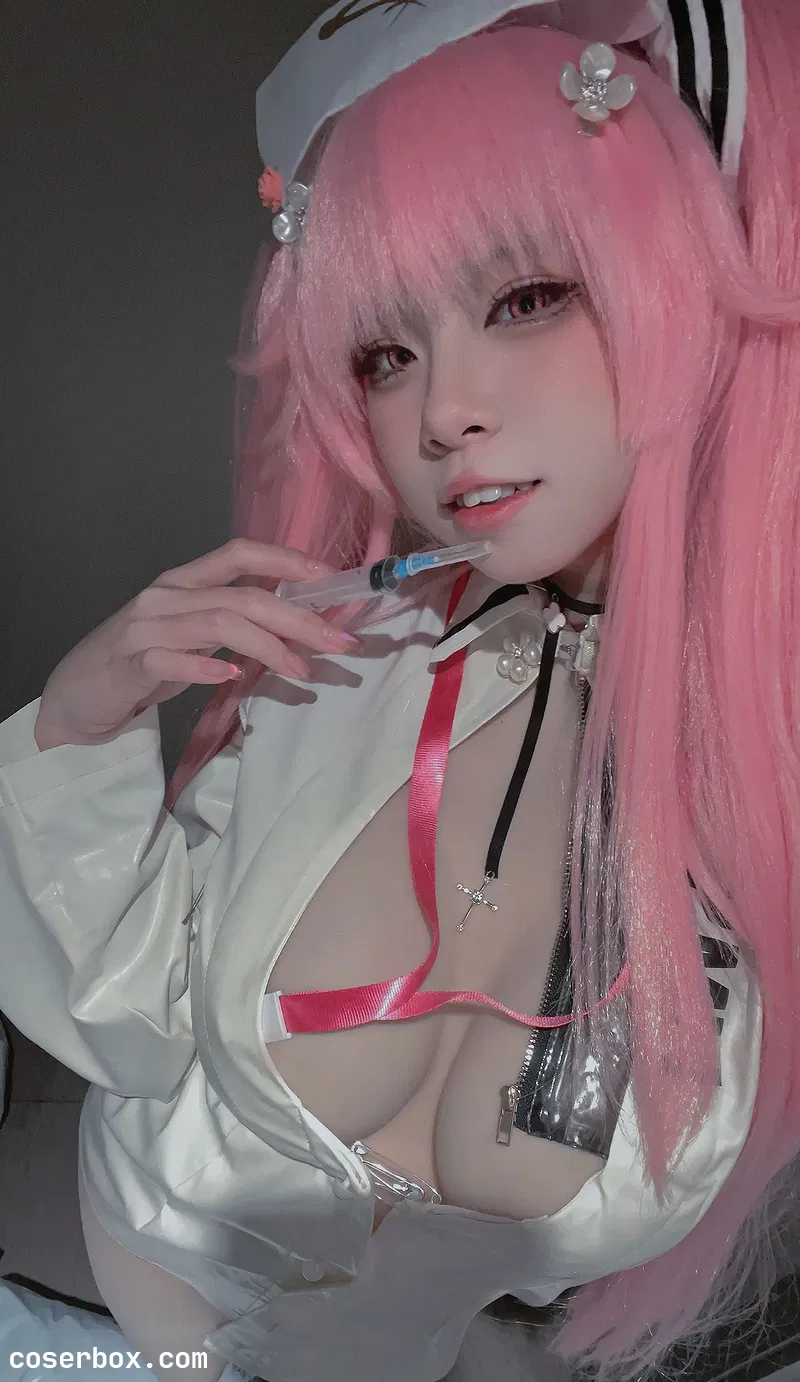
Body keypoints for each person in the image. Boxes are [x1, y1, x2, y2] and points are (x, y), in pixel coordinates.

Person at [1, 1, 799, 1379]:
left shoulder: (761, 766)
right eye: (385, 354)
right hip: (157, 1306)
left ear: (678, 284)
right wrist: (77, 734)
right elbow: (132, 1008)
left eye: (526, 296)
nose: (440, 413)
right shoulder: (346, 659)